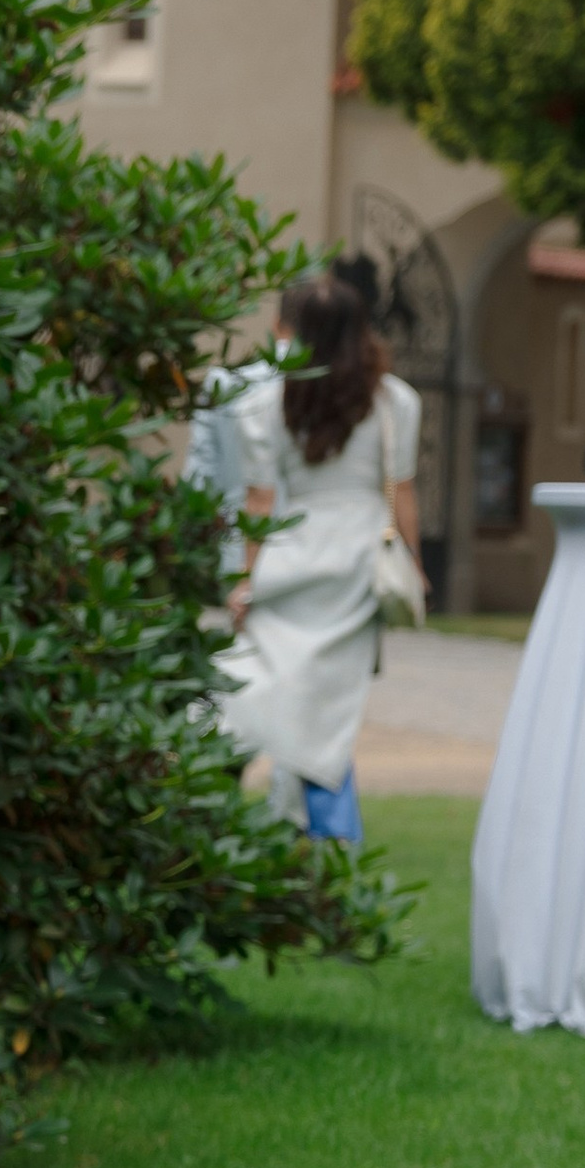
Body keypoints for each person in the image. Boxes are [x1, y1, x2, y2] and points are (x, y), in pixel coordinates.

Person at [213, 272, 424, 846]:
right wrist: (415, 566)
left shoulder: (263, 405)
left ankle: (209, 826)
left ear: (289, 330)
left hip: (290, 559)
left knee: (241, 697)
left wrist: (244, 581)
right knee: (327, 720)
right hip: (356, 564)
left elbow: (259, 503)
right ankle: (332, 855)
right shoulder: (396, 402)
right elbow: (400, 490)